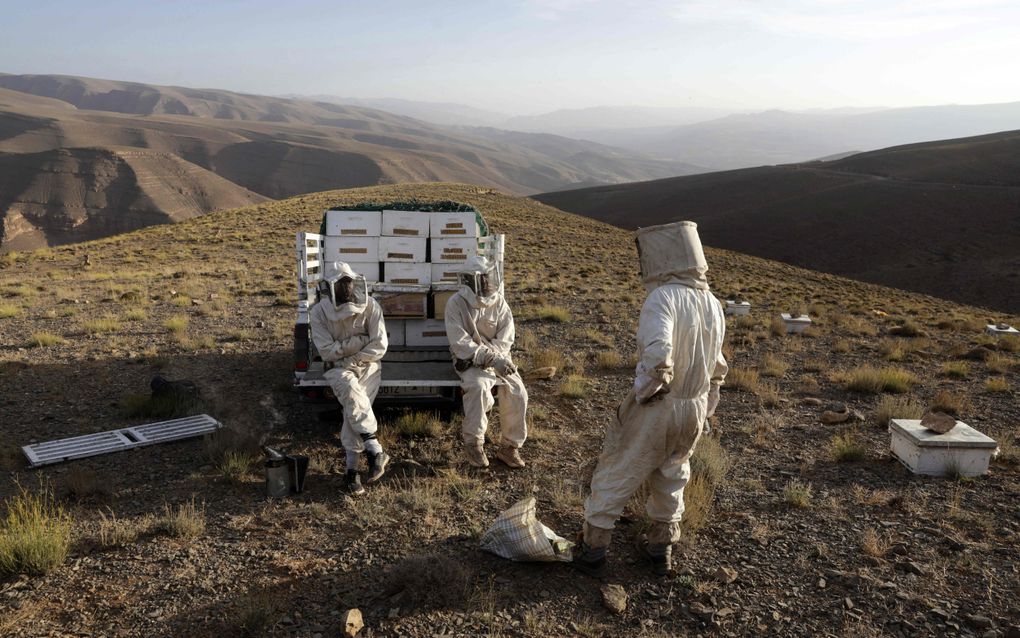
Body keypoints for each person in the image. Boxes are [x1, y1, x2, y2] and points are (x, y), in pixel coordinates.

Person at [573, 221, 728, 578]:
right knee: (673, 475)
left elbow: (659, 358)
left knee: (619, 468)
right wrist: (706, 410)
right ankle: (660, 550)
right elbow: (718, 368)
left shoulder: (664, 297)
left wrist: (645, 394)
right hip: (694, 405)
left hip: (661, 403)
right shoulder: (713, 304)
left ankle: (593, 550)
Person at [309, 262, 390, 496]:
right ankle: (374, 448)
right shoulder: (318, 312)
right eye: (340, 283)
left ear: (354, 282)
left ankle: (351, 472)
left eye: (348, 282)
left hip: (368, 366)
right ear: (329, 287)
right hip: (336, 369)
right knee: (351, 391)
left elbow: (380, 345)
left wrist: (353, 357)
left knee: (352, 409)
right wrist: (358, 342)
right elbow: (326, 351)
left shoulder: (371, 305)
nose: (346, 288)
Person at [444, 256, 529, 469]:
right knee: (478, 387)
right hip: (469, 359)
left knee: (518, 391)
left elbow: (506, 337)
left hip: (499, 357)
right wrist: (489, 358)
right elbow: (460, 343)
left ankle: (509, 447)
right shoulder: (455, 304)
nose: (487, 284)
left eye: (488, 279)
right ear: (469, 281)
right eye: (482, 280)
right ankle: (474, 443)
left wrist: (497, 358)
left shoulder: (499, 301)